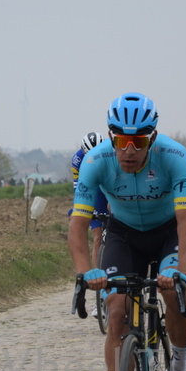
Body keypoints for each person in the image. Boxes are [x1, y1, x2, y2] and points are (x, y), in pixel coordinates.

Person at [68, 92, 186, 371]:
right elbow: (78, 225)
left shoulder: (174, 157)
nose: (128, 149)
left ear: (152, 137)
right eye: (121, 140)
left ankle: (181, 370)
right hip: (124, 235)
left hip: (167, 232)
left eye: (137, 141)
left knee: (174, 293)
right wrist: (84, 273)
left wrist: (182, 273)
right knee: (117, 312)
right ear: (110, 136)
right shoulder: (96, 161)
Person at [71, 132, 108, 317]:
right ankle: (100, 298)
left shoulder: (110, 153)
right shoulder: (78, 159)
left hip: (107, 187)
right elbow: (80, 189)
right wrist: (78, 212)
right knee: (97, 239)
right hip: (92, 188)